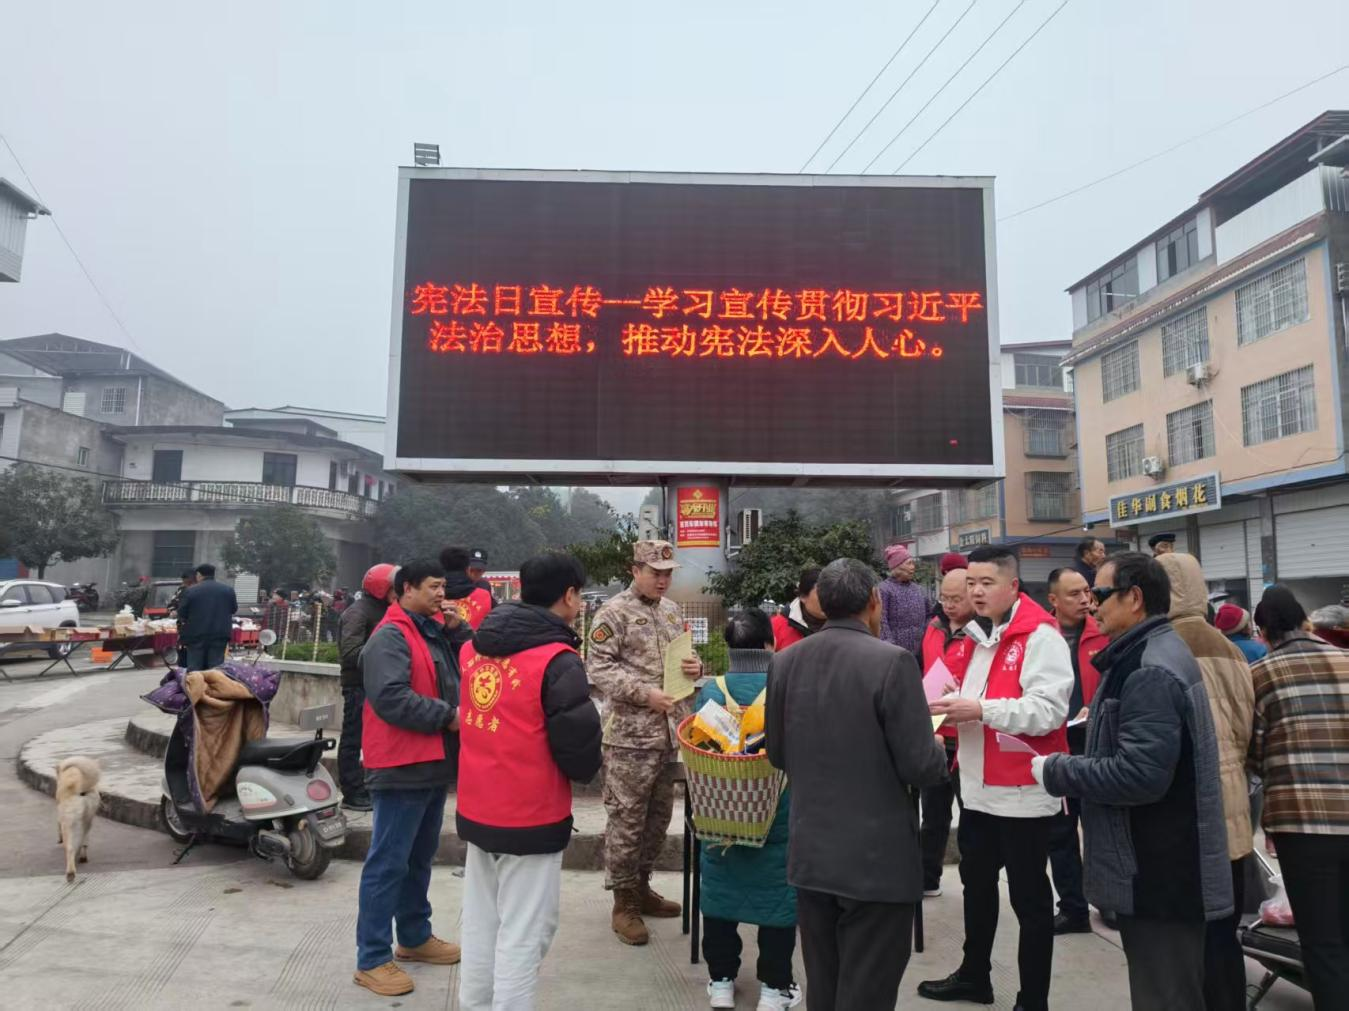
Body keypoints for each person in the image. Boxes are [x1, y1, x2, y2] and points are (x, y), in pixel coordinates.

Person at [1035, 553, 1233, 1010]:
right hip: (1157, 866)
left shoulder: (1148, 667)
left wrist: (1057, 769)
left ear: (1135, 598)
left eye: (1100, 594)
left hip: (1160, 872)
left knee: (1165, 994)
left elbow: (1140, 775)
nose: (1092, 605)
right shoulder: (1141, 654)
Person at [766, 558, 948, 1011]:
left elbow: (778, 753)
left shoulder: (785, 661)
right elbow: (920, 766)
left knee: (824, 985)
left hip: (812, 856)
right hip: (876, 863)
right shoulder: (893, 661)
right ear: (873, 600)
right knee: (868, 990)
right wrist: (937, 747)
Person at [919, 545, 1072, 1011]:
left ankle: (1033, 999)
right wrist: (948, 703)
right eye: (971, 583)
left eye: (987, 583)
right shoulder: (976, 636)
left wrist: (979, 708)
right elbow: (972, 699)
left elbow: (1048, 711)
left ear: (1013, 586)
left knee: (1030, 899)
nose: (977, 592)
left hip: (1022, 791)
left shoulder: (1040, 636)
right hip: (977, 788)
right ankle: (974, 976)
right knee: (977, 886)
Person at [456, 552, 603, 1011]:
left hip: (478, 807)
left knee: (481, 923)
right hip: (530, 814)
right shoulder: (557, 660)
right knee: (526, 932)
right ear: (569, 595)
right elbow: (579, 752)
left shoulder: (472, 648)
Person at [353, 559, 472, 997]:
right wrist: (448, 717)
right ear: (406, 589)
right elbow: (390, 697)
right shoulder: (390, 636)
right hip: (401, 764)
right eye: (433, 587)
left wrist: (457, 631)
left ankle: (415, 936)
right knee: (388, 862)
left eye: (443, 587)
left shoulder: (430, 631)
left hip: (431, 761)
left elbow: (459, 670)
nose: (442, 594)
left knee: (419, 857)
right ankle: (371, 958)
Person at [587, 539, 703, 945]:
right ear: (635, 570)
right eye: (655, 572)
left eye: (668, 573)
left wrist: (695, 666)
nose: (663, 580)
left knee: (657, 819)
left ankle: (642, 886)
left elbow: (682, 658)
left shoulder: (671, 610)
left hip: (668, 734)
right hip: (629, 739)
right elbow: (598, 668)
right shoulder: (613, 612)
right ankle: (624, 903)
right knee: (627, 820)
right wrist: (643, 693)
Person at [1157, 552, 1255, 1011]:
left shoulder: (1163, 644)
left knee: (1188, 934)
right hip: (1233, 802)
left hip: (1187, 807)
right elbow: (1245, 725)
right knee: (1224, 930)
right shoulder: (1229, 645)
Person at [1248, 585, 1349, 1007]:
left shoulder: (1260, 674)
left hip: (1301, 825)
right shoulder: (1346, 661)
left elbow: (1254, 753)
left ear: (1263, 633)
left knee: (1323, 942)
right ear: (1305, 622)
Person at [700, 608, 800, 1011]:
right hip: (777, 814)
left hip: (719, 814)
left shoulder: (711, 691)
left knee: (720, 893)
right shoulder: (786, 688)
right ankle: (775, 990)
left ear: (729, 647)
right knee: (778, 900)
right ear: (770, 645)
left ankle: (721, 983)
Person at [1043, 566, 1108, 935]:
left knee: (1101, 828)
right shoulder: (1040, 636)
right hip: (1056, 745)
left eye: (1087, 591)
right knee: (1060, 832)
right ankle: (1073, 908)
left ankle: (1110, 902)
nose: (1085, 599)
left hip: (1097, 742)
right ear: (1053, 599)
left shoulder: (1104, 633)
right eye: (1074, 594)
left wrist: (1095, 709)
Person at [918, 566, 974, 898]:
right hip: (935, 734)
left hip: (968, 736)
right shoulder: (933, 627)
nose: (949, 605)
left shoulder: (981, 633)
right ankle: (928, 878)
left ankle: (974, 882)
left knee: (972, 814)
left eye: (956, 599)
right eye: (944, 598)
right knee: (933, 813)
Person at [336, 563, 397, 813]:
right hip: (358, 686)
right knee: (353, 738)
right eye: (394, 587)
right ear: (382, 587)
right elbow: (350, 652)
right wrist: (386, 650)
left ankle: (369, 784)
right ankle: (352, 791)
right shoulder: (358, 612)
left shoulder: (385, 610)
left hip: (377, 684)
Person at [176, 563, 238, 672]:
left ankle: (197, 683)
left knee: (195, 670)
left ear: (199, 575)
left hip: (196, 636)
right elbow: (233, 609)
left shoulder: (190, 591)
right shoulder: (228, 590)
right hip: (219, 635)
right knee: (216, 670)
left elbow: (182, 613)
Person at [878, 543, 929, 655]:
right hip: (896, 654)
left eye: (913, 563)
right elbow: (881, 621)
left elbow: (929, 616)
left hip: (920, 652)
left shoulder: (919, 590)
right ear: (897, 566)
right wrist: (890, 647)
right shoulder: (884, 589)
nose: (913, 567)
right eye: (909, 563)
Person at [440, 546, 495, 631]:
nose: (475, 573)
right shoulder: (484, 594)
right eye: (472, 570)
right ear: (468, 569)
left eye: (479, 570)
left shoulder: (484, 586)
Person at [769, 567, 824, 651]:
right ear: (803, 596)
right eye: (822, 593)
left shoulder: (843, 625)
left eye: (833, 593)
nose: (830, 598)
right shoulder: (774, 628)